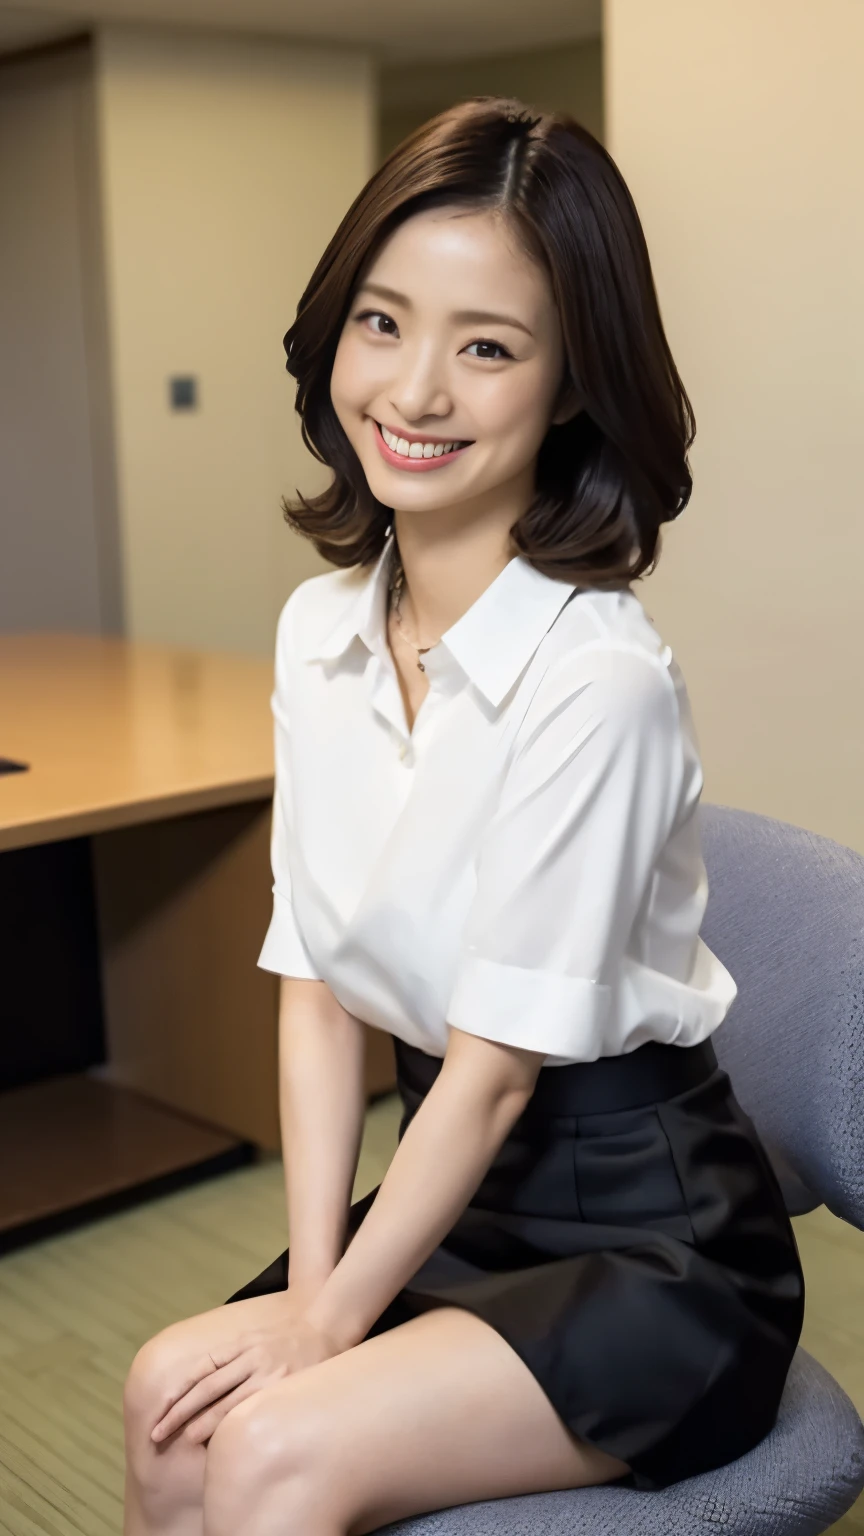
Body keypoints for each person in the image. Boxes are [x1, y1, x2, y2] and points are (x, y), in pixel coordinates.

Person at [123, 98, 805, 1536]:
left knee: (268, 1451)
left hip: (653, 1243)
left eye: (486, 346)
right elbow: (314, 993)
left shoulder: (599, 681)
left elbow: (495, 1076)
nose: (417, 390)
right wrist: (318, 1290)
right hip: (451, 1194)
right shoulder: (321, 633)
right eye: (383, 323)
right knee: (171, 1403)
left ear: (568, 385)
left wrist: (324, 1336)